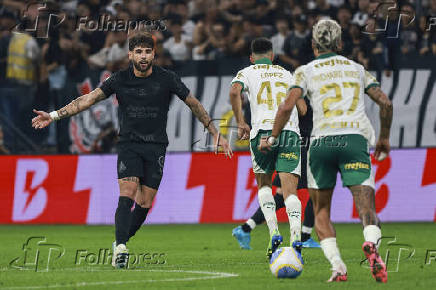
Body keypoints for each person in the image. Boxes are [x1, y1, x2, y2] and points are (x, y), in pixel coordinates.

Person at [32, 32, 233, 269]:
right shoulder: (119, 79)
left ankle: (122, 241)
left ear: (154, 54)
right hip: (129, 144)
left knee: (145, 203)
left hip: (156, 146)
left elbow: (193, 103)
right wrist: (54, 115)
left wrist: (214, 133)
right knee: (127, 191)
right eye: (139, 51)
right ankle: (120, 248)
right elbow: (88, 99)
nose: (143, 56)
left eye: (147, 51)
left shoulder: (167, 78)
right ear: (130, 55)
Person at [260, 19, 392, 283]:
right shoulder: (357, 69)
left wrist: (273, 137)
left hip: (321, 143)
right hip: (354, 140)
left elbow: (287, 106)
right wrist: (384, 138)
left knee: (321, 211)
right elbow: (385, 103)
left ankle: (338, 267)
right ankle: (370, 244)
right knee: (366, 208)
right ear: (341, 44)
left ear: (312, 45)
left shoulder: (304, 71)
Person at [229, 37, 306, 259]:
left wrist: (241, 122)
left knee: (264, 186)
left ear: (252, 58)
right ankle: (296, 239)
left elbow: (235, 92)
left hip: (261, 132)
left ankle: (273, 232)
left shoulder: (247, 72)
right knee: (290, 191)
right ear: (272, 56)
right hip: (289, 133)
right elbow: (301, 108)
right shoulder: (287, 74)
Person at [232, 97, 321, 249]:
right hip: (297, 147)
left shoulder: (293, 95)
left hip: (291, 143)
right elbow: (303, 112)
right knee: (317, 191)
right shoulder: (300, 94)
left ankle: (245, 228)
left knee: (281, 196)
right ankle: (305, 236)